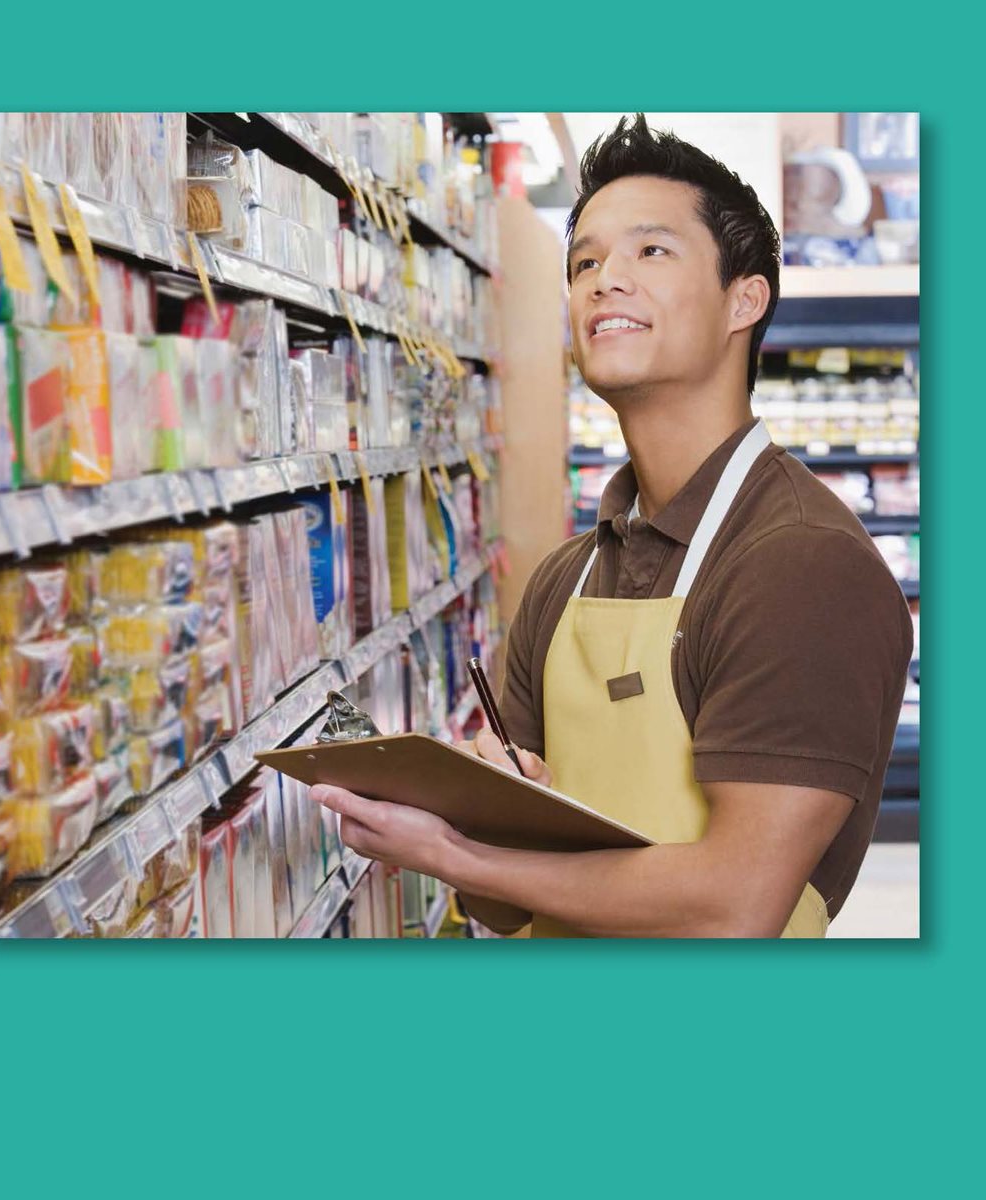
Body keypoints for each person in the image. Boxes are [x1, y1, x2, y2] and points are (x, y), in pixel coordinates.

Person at [310, 114, 913, 937]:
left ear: (746, 298)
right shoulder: (566, 579)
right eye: (584, 261)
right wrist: (497, 811)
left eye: (649, 251)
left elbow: (733, 910)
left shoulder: (802, 564)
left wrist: (457, 853)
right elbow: (503, 904)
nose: (603, 279)